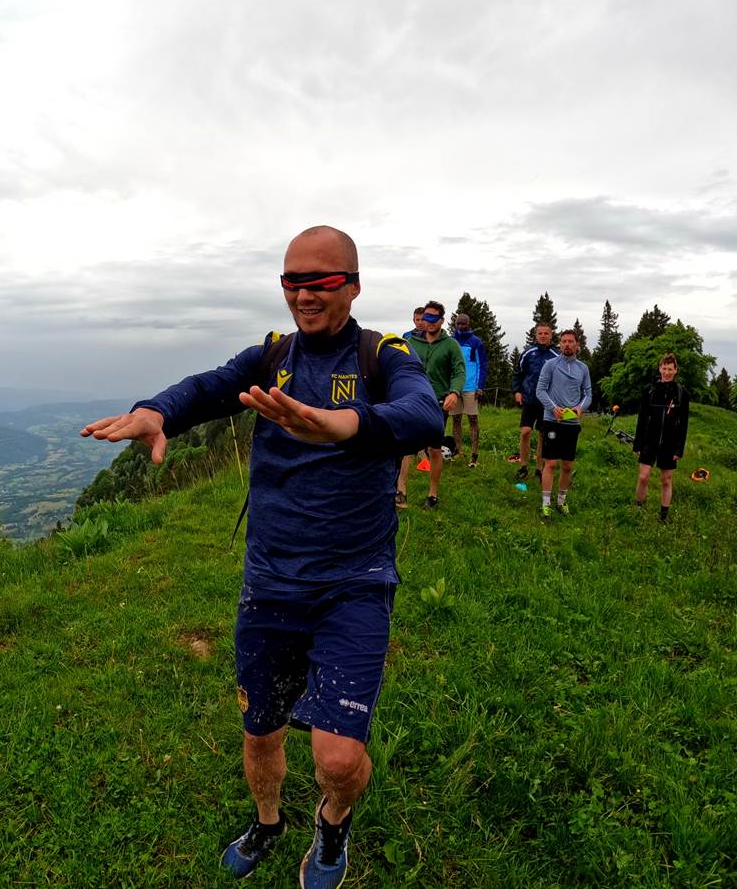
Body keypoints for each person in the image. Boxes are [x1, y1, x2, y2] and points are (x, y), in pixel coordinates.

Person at [81, 226, 442, 887]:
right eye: (291, 280)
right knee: (260, 733)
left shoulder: (382, 355)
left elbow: (424, 415)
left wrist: (349, 425)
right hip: (271, 581)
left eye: (322, 280)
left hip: (354, 584)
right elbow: (207, 388)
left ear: (353, 286)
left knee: (337, 759)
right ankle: (269, 821)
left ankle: (332, 825)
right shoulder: (271, 356)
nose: (304, 293)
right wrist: (156, 411)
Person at [395, 301, 465, 510]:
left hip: (438, 403)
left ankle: (433, 495)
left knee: (434, 449)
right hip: (412, 400)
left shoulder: (450, 345)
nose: (430, 322)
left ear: (442, 321)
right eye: (427, 317)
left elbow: (459, 371)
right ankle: (400, 491)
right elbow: (398, 366)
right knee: (405, 447)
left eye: (435, 318)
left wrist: (454, 392)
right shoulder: (411, 342)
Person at [534, 329, 592, 519]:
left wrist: (580, 409)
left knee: (567, 465)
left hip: (572, 423)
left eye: (571, 341)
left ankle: (561, 501)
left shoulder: (582, 368)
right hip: (552, 421)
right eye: (564, 341)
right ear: (559, 344)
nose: (567, 344)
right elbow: (540, 390)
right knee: (550, 463)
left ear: (577, 345)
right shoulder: (550, 365)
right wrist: (553, 408)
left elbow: (588, 394)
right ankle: (545, 504)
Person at [633, 353, 689, 522]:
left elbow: (684, 423)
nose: (666, 372)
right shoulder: (649, 390)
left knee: (666, 480)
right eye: (664, 368)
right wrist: (637, 444)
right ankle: (639, 511)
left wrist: (680, 448)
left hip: (670, 443)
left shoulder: (681, 393)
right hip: (649, 440)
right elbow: (642, 418)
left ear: (675, 370)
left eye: (670, 369)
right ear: (659, 369)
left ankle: (663, 517)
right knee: (643, 477)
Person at [509, 324, 558, 481]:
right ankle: (523, 467)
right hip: (529, 400)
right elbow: (518, 373)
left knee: (543, 436)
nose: (543, 336)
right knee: (525, 432)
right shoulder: (528, 353)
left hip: (547, 403)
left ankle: (539, 469)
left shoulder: (557, 355)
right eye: (540, 333)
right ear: (536, 335)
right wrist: (517, 391)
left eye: (546, 333)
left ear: (551, 335)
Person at [450, 312, 488, 467]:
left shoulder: (476, 342)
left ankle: (474, 454)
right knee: (456, 419)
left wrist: (480, 386)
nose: (460, 326)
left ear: (468, 324)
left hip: (471, 387)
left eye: (463, 324)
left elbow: (482, 364)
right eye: (458, 323)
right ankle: (458, 451)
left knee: (473, 420)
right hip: (454, 387)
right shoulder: (450, 341)